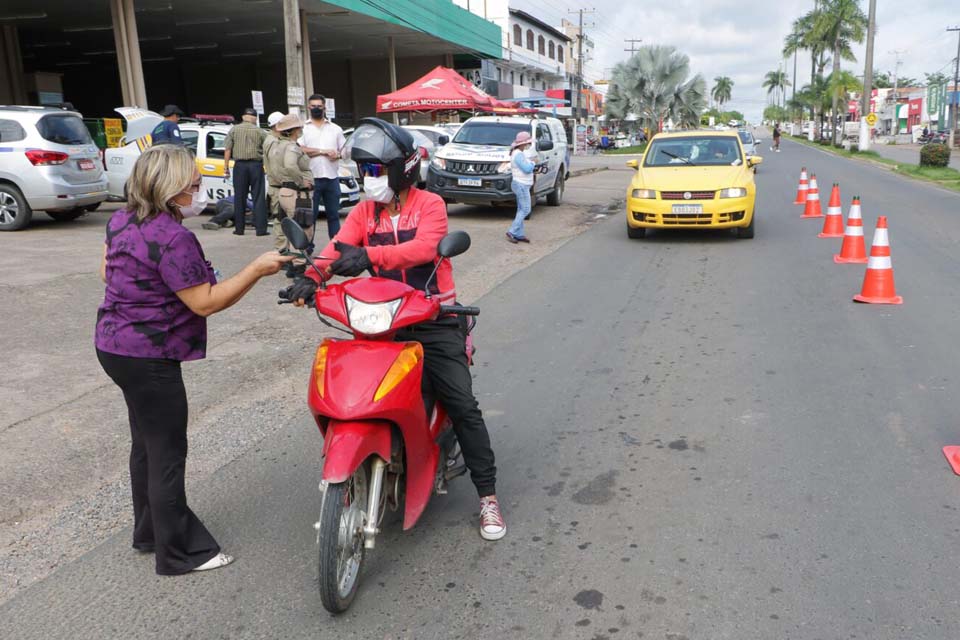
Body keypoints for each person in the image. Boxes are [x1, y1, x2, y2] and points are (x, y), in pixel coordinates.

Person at [287, 118, 507, 541]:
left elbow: (424, 248)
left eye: (376, 171)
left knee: (462, 404)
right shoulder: (365, 212)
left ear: (401, 170)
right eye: (364, 171)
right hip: (381, 323)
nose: (369, 180)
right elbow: (338, 249)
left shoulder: (430, 205)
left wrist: (370, 255)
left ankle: (488, 497)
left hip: (433, 320)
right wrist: (312, 278)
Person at [95, 144, 292, 575]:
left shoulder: (122, 219)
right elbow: (204, 303)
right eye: (194, 185)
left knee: (146, 444)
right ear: (169, 188)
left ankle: (149, 533)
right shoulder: (173, 236)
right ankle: (180, 553)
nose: (199, 191)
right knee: (166, 451)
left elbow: (107, 273)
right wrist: (256, 270)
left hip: (113, 346)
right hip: (148, 357)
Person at [298, 94, 345, 240]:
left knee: (333, 215)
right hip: (311, 180)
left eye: (319, 106)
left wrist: (338, 155)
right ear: (308, 107)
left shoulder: (335, 129)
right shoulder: (303, 129)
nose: (316, 109)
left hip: (332, 178)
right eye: (313, 106)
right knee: (310, 217)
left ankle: (336, 248)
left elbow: (345, 150)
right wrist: (322, 152)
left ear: (324, 107)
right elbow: (300, 149)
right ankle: (307, 249)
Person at [268, 113, 314, 252]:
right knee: (302, 228)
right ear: (294, 130)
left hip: (285, 190)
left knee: (290, 227)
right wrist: (301, 182)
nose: (301, 129)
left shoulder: (279, 144)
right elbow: (290, 165)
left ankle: (292, 262)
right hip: (297, 192)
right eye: (299, 127)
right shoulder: (292, 147)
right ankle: (298, 265)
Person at [223, 107, 268, 236]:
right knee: (258, 197)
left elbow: (227, 149)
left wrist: (226, 168)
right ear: (255, 118)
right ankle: (261, 230)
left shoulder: (234, 130)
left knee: (239, 197)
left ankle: (239, 229)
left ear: (243, 117)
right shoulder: (260, 132)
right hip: (256, 166)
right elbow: (267, 149)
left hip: (240, 166)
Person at [261, 111, 286, 240]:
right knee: (280, 220)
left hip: (278, 186)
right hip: (278, 187)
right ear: (277, 126)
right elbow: (276, 168)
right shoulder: (273, 142)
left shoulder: (275, 140)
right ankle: (282, 251)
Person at [506, 131, 535, 244]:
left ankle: (519, 233)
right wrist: (533, 164)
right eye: (528, 143)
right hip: (521, 184)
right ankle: (512, 231)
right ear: (523, 143)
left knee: (521, 209)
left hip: (521, 184)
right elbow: (527, 169)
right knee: (526, 209)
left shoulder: (518, 153)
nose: (528, 145)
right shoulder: (518, 154)